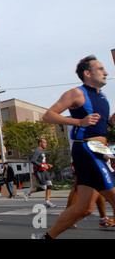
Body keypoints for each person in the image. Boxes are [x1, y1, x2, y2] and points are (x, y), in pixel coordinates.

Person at [39, 55, 115, 239]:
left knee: (85, 208)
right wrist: (79, 121)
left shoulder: (103, 97)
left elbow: (98, 125)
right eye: (100, 69)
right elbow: (48, 115)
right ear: (87, 73)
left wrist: (111, 122)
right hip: (87, 150)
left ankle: (46, 237)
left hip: (99, 152)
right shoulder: (76, 93)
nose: (106, 72)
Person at [24, 139, 56, 207]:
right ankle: (28, 192)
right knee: (43, 187)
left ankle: (47, 202)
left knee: (49, 185)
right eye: (44, 142)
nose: (46, 144)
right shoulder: (37, 150)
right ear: (40, 143)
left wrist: (47, 165)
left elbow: (41, 162)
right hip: (39, 171)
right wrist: (42, 165)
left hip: (44, 171)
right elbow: (33, 160)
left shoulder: (42, 151)